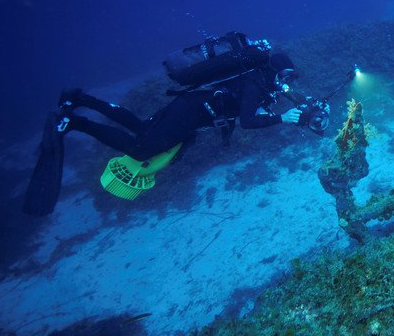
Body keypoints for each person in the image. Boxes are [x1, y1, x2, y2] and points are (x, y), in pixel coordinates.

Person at [23, 37, 318, 216]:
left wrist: (289, 107)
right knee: (140, 149)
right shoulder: (256, 83)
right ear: (274, 71)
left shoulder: (258, 81)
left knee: (140, 128)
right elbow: (248, 121)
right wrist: (282, 118)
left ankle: (80, 99)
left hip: (189, 105)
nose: (287, 83)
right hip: (190, 114)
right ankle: (73, 122)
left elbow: (246, 107)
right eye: (286, 76)